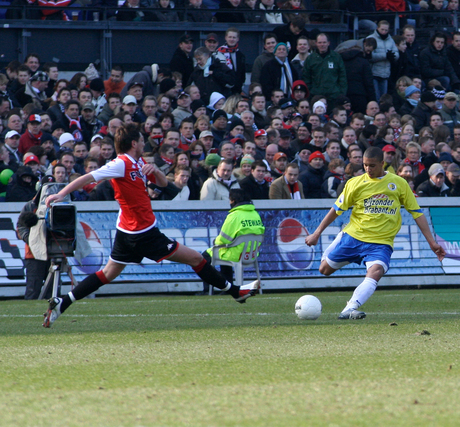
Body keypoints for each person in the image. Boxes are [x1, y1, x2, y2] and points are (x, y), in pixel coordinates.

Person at [43, 123, 260, 328]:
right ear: (133, 143)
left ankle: (63, 302)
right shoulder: (121, 163)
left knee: (107, 273)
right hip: (143, 234)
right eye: (140, 140)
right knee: (196, 258)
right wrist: (60, 194)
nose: (143, 143)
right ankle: (235, 292)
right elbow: (89, 177)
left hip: (128, 231)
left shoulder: (138, 163)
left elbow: (165, 184)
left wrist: (155, 170)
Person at [305, 146, 445, 319]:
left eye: (372, 165)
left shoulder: (398, 183)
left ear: (382, 163)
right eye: (365, 165)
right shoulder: (355, 183)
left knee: (376, 271)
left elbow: (417, 213)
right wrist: (317, 233)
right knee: (324, 269)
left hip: (381, 243)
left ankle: (350, 308)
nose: (368, 169)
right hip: (353, 237)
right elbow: (336, 209)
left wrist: (432, 242)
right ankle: (344, 241)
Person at [201, 188, 265, 292]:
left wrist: (215, 242)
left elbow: (223, 239)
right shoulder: (255, 214)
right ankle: (228, 288)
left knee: (204, 257)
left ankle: (207, 289)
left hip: (236, 254)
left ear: (233, 200)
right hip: (251, 254)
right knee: (224, 254)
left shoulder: (234, 216)